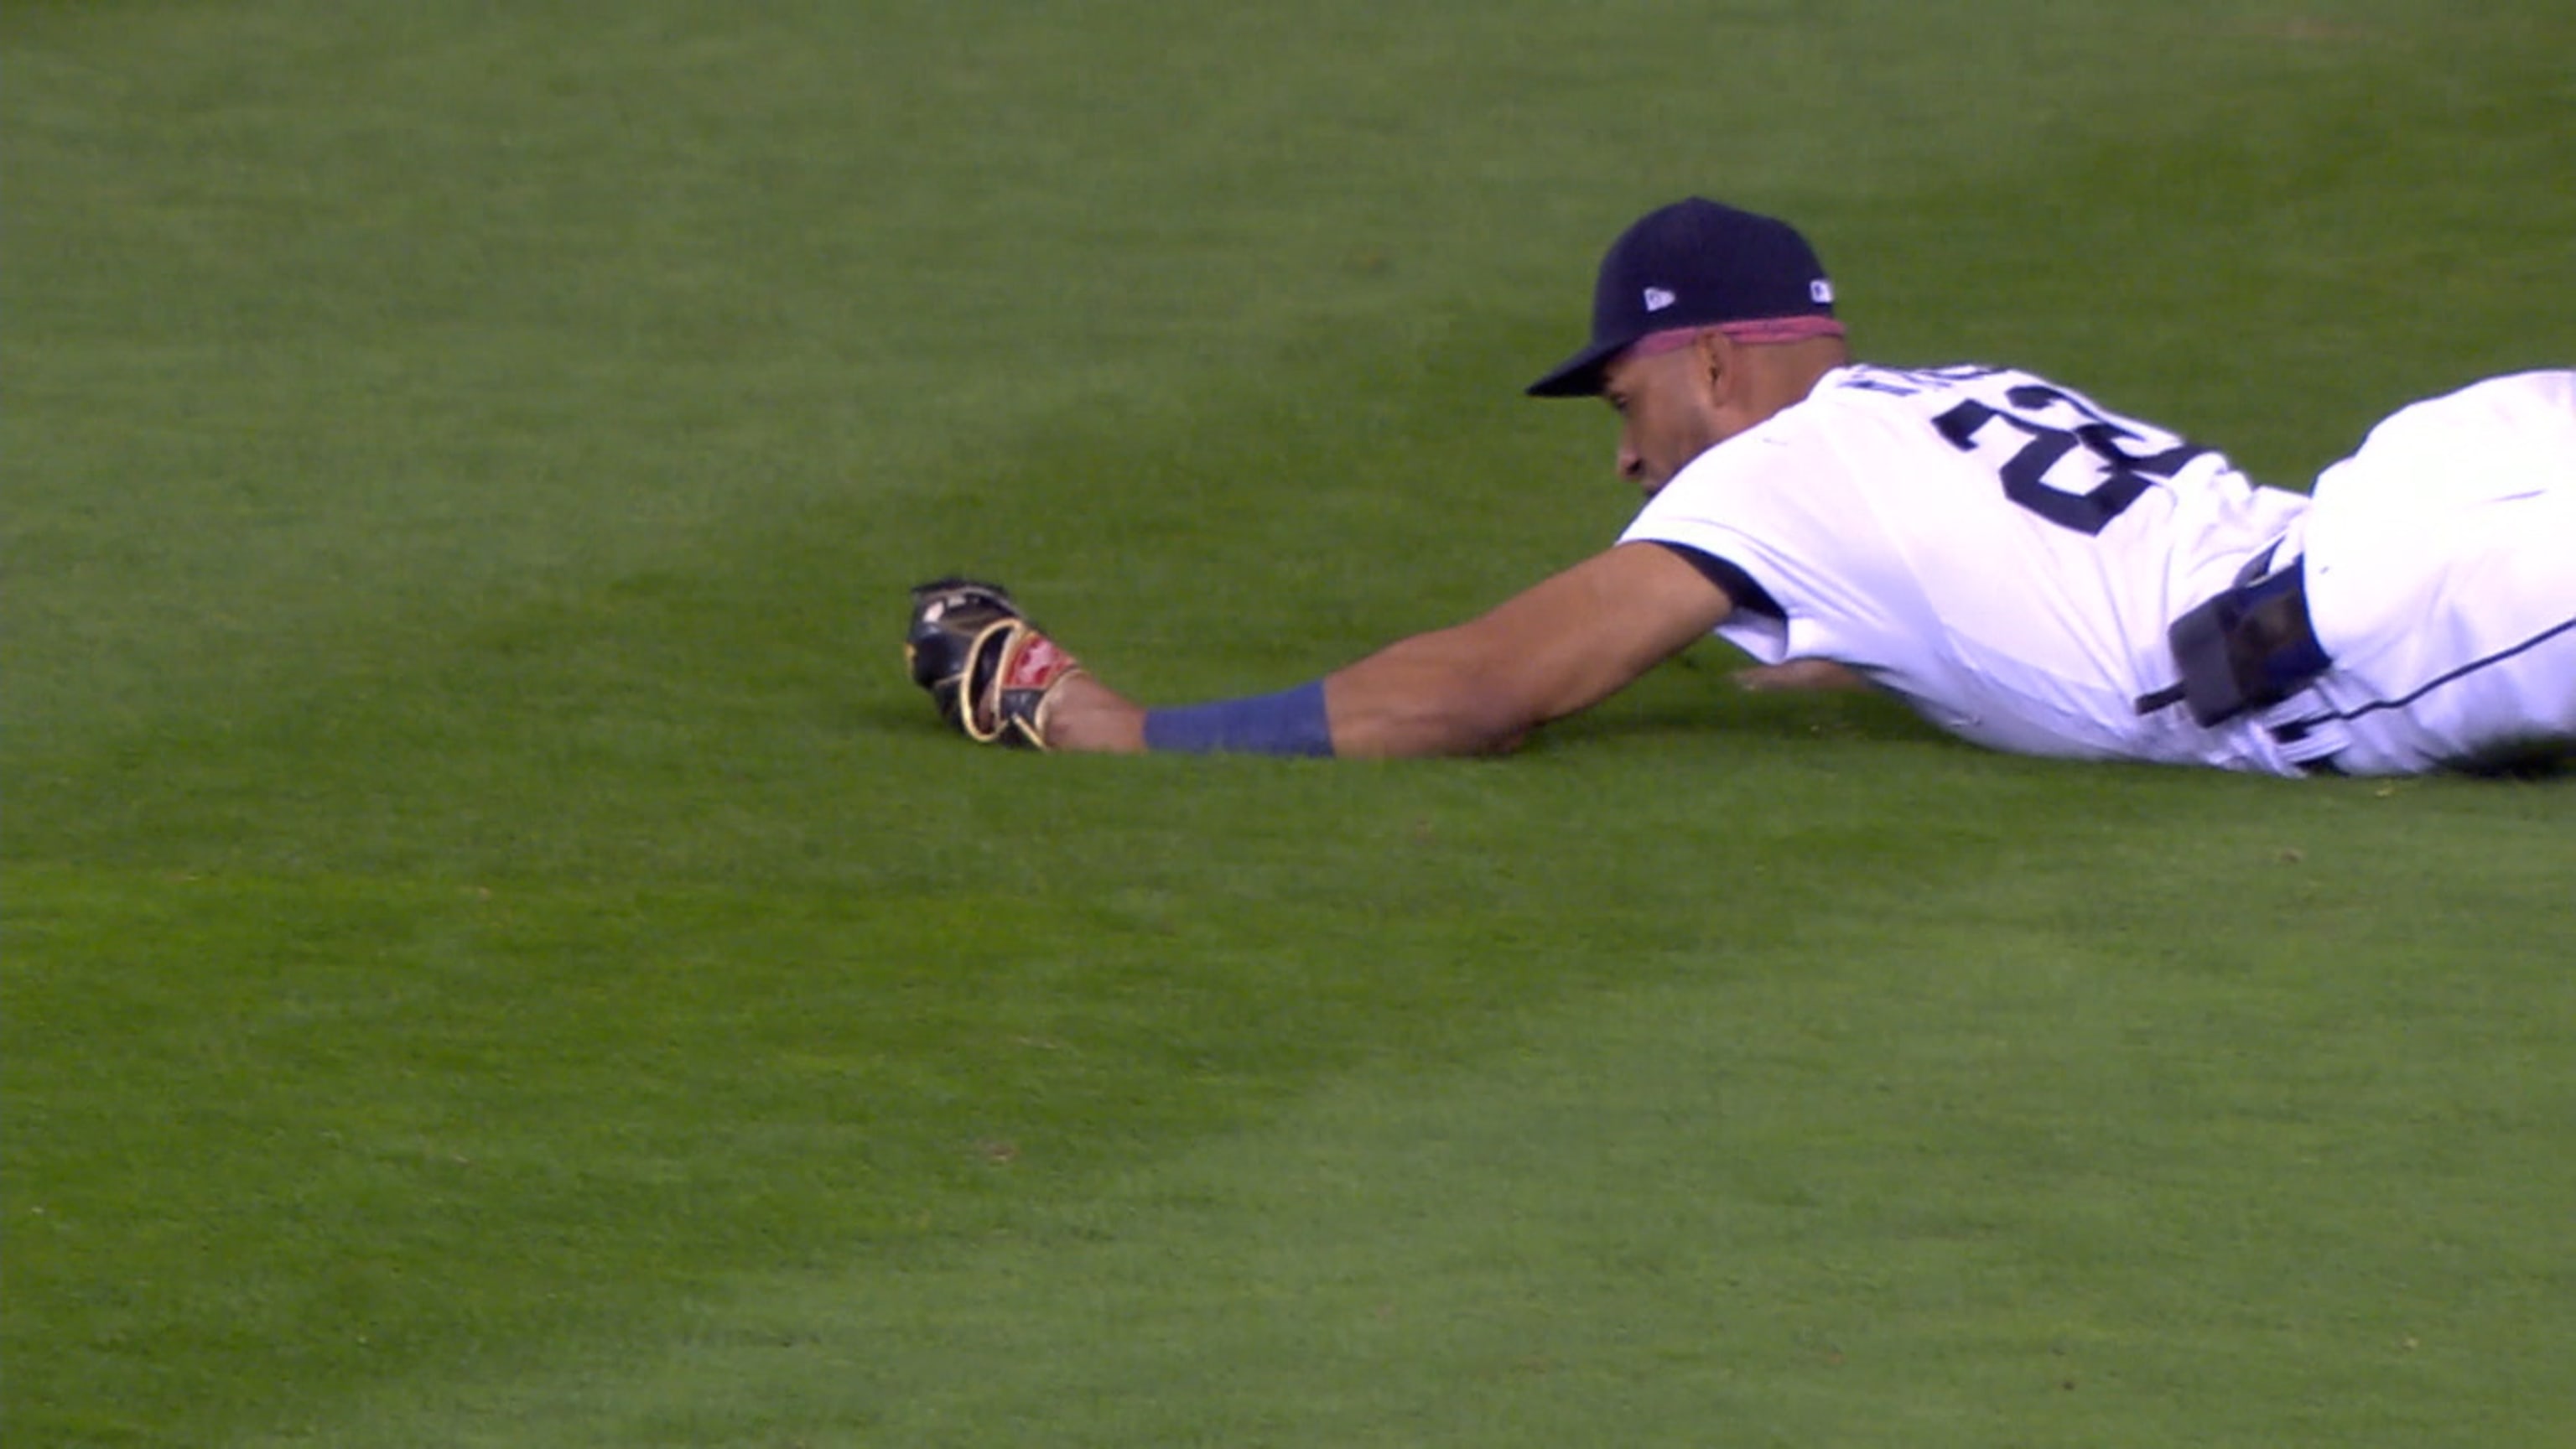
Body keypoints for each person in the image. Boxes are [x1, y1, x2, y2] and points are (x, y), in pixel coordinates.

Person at [905, 198, 2576, 776]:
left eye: (1626, 398)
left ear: (1712, 365)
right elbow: (1953, 614)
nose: (1627, 456)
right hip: (2408, 485)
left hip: (2357, 636)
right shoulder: (1949, 394)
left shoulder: (1770, 480)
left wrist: (1126, 730)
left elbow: (1486, 691)